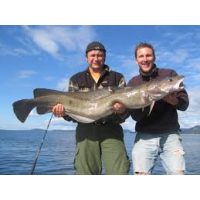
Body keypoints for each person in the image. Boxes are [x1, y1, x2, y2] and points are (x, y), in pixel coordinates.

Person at [52, 41, 130, 175]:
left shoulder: (117, 77)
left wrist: (122, 110)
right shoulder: (76, 79)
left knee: (119, 170)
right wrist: (63, 113)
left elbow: (127, 108)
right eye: (92, 55)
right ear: (86, 57)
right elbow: (71, 112)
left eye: (100, 55)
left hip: (112, 129)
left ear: (104, 57)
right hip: (85, 130)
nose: (96, 58)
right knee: (85, 172)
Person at [127, 42, 189, 175]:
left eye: (148, 55)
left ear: (154, 57)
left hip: (171, 135)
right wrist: (146, 102)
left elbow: (184, 104)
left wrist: (171, 100)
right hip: (144, 136)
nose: (145, 59)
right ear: (136, 60)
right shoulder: (133, 83)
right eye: (141, 56)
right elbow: (135, 117)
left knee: (178, 175)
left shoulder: (169, 74)